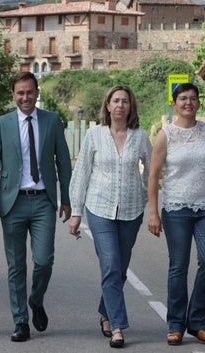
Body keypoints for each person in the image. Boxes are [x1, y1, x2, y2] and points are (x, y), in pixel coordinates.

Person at [0, 71, 72, 342]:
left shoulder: (52, 120)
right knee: (16, 266)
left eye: (29, 92)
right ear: (13, 95)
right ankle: (20, 321)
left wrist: (66, 198)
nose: (25, 97)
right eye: (20, 93)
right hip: (13, 203)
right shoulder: (2, 123)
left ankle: (36, 298)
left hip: (43, 200)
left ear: (37, 92)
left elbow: (63, 163)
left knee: (44, 260)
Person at [68, 85, 152, 349]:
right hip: (99, 208)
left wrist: (147, 201)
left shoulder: (140, 136)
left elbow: (152, 171)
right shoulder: (94, 134)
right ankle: (117, 326)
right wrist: (76, 212)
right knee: (111, 265)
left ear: (131, 107)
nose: (120, 106)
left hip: (131, 210)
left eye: (125, 101)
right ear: (107, 105)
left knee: (120, 269)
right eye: (115, 101)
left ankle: (106, 311)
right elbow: (81, 173)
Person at [147, 82, 205, 346]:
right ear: (174, 103)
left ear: (198, 103)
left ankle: (198, 321)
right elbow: (154, 174)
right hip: (176, 209)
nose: (188, 103)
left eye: (193, 98)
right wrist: (153, 213)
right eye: (183, 98)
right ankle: (175, 325)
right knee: (178, 267)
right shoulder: (165, 135)